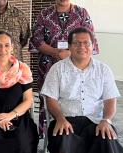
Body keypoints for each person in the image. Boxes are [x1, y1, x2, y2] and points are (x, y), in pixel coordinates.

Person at [41, 27, 123, 153]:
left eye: (86, 43)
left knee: (108, 139)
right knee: (61, 136)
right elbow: (50, 99)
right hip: (66, 120)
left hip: (96, 122)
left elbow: (110, 100)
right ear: (70, 46)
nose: (82, 47)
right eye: (77, 43)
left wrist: (106, 120)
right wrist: (60, 118)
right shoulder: (57, 69)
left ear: (93, 46)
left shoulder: (103, 70)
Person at [29, 0, 99, 135]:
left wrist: (70, 53)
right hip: (48, 64)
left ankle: (79, 128)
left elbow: (90, 38)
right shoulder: (44, 14)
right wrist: (55, 52)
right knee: (48, 97)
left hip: (76, 65)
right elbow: (36, 40)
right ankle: (48, 131)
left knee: (75, 94)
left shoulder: (82, 13)